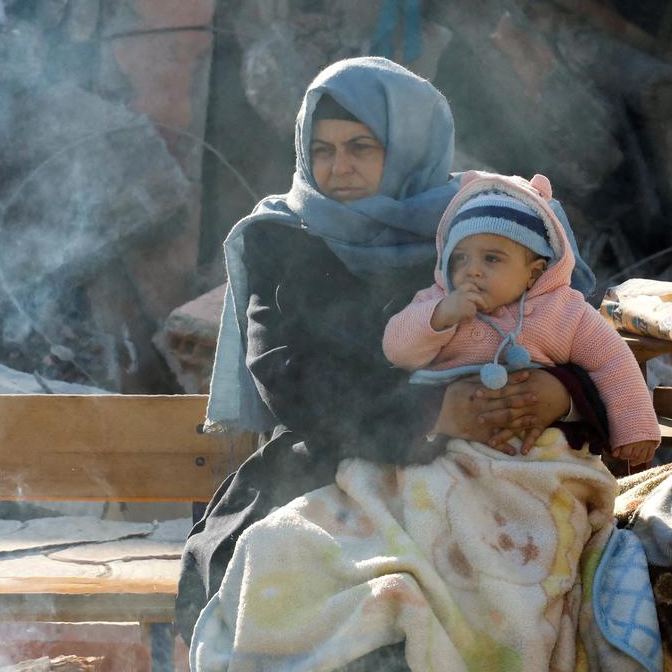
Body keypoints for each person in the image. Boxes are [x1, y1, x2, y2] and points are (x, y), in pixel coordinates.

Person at [176, 57, 609, 640]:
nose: (339, 168)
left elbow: (574, 330)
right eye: (322, 149)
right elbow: (289, 378)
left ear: (409, 145)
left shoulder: (479, 226)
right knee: (323, 592)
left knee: (537, 583)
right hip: (332, 457)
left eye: (361, 146)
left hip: (501, 462)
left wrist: (559, 392)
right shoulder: (282, 238)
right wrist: (430, 415)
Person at [383, 171, 659, 465]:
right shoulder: (436, 300)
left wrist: (635, 427)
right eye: (461, 257)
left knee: (561, 476)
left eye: (491, 258)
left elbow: (612, 361)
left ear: (534, 272)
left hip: (539, 442)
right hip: (452, 442)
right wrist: (439, 317)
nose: (472, 270)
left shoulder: (563, 310)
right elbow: (397, 350)